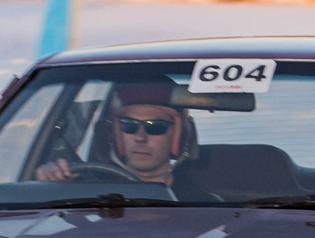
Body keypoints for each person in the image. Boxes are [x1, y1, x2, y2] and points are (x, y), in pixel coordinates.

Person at [35, 82, 197, 192]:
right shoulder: (87, 188)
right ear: (117, 134)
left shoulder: (197, 202)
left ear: (177, 136)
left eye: (155, 126)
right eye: (129, 125)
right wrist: (48, 182)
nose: (140, 137)